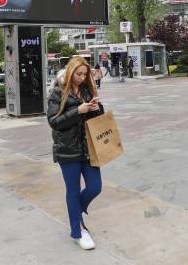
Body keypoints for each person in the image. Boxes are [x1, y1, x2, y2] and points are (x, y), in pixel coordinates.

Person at [46, 56, 105, 250]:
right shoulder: (57, 92)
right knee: (72, 190)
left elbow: (98, 119)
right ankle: (78, 231)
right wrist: (77, 111)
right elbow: (54, 122)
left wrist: (97, 108)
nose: (82, 77)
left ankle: (75, 212)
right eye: (78, 74)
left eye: (85, 74)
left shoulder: (88, 90)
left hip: (89, 149)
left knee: (95, 187)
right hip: (67, 150)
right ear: (70, 72)